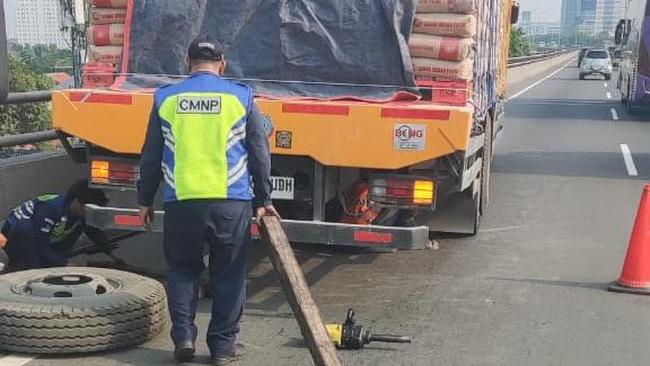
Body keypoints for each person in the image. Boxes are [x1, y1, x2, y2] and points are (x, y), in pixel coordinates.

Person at [137, 36, 278, 365]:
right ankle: (223, 347)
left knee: (183, 270)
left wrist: (145, 199)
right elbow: (260, 153)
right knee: (228, 274)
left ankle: (184, 336)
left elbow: (151, 155)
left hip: (182, 202)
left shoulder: (166, 98)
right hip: (231, 203)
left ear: (187, 63)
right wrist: (264, 198)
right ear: (223, 64)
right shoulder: (241, 97)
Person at [0, 179, 108, 272]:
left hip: (44, 241)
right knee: (25, 227)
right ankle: (31, 269)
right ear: (76, 202)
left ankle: (53, 263)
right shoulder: (50, 208)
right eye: (87, 208)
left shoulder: (80, 214)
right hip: (16, 242)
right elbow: (39, 243)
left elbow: (93, 232)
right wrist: (64, 265)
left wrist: (111, 254)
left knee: (80, 225)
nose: (89, 213)